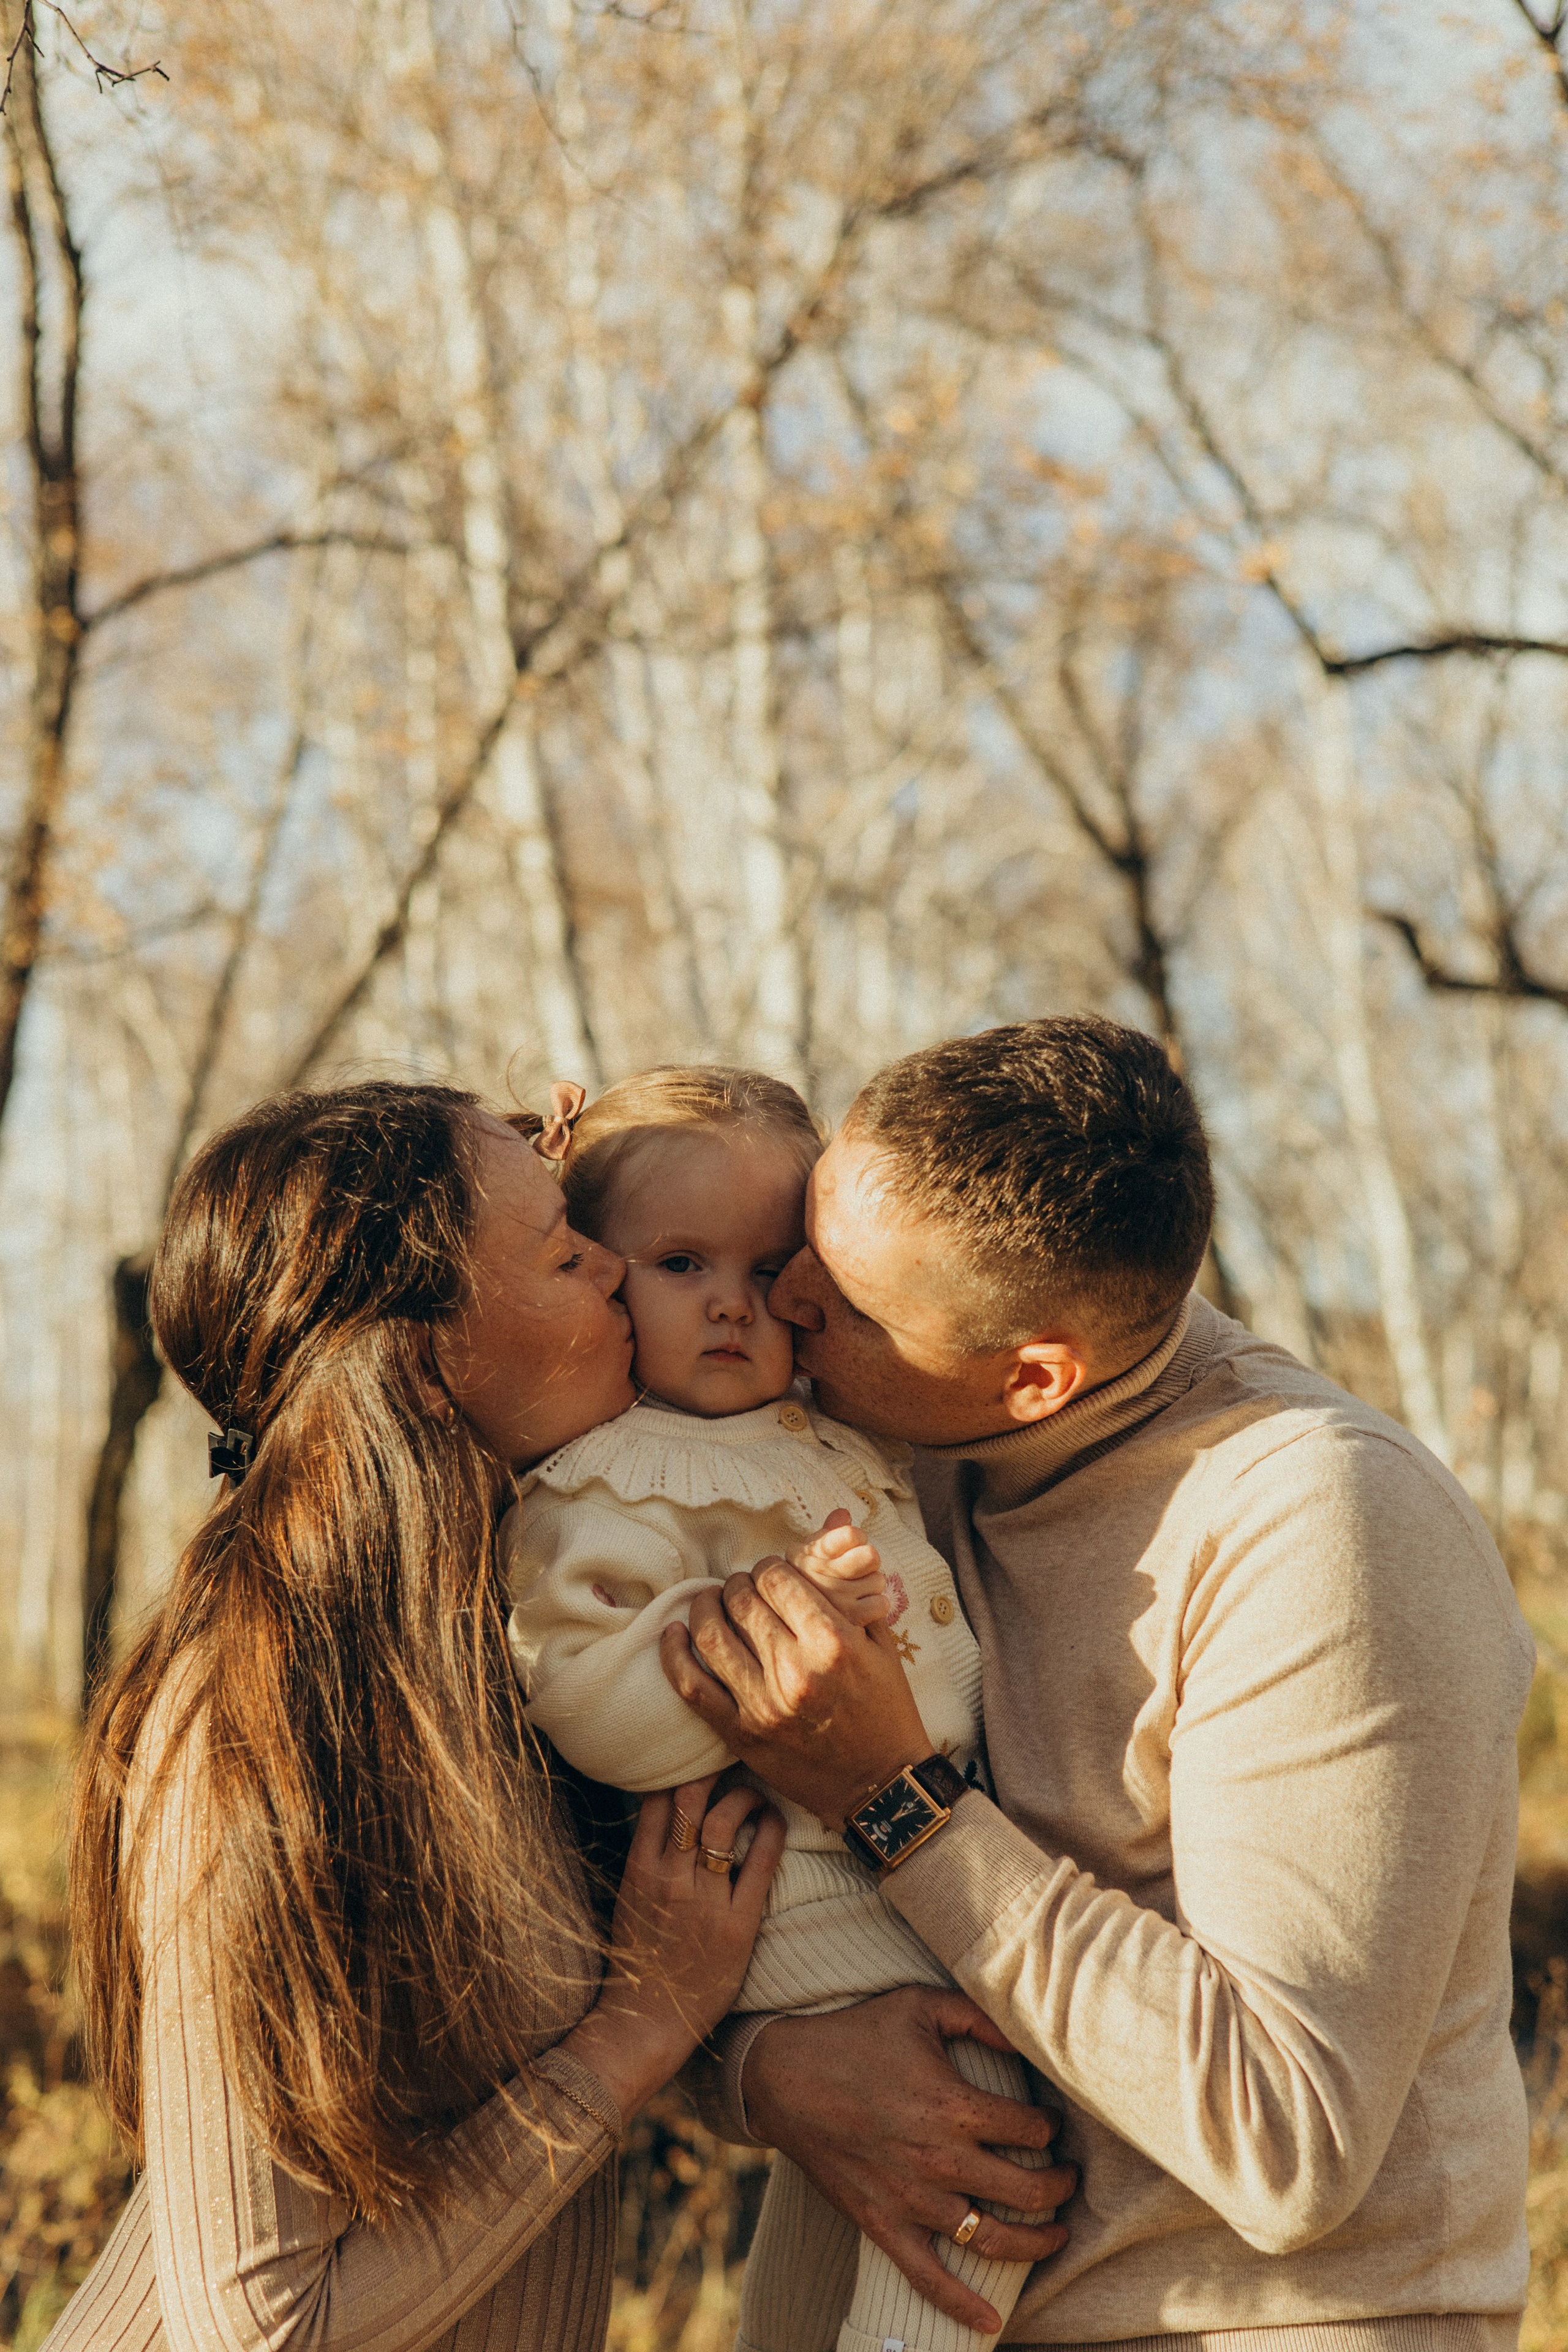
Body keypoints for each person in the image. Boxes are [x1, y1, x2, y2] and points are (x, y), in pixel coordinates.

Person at [665, 1017, 1536, 2352]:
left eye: (848, 1303)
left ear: (1034, 1377)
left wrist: (892, 1798)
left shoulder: (1318, 1522)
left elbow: (1286, 2136)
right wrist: (762, 2075)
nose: (781, 1299)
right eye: (804, 1241)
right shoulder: (868, 1443)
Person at [45, 1080, 785, 2352]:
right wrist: (639, 2029)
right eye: (565, 1252)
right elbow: (262, 2326)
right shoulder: (251, 1726)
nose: (617, 1270)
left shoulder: (504, 1634)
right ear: (430, 1366)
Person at [505, 1065, 1066, 2352]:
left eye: (771, 1270)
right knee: (987, 2133)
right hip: (796, 1892)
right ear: (600, 1272)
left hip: (907, 1869)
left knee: (865, 2197)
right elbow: (587, 1700)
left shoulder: (836, 1432)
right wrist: (780, 1622)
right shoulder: (610, 1476)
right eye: (681, 1264)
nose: (733, 1305)